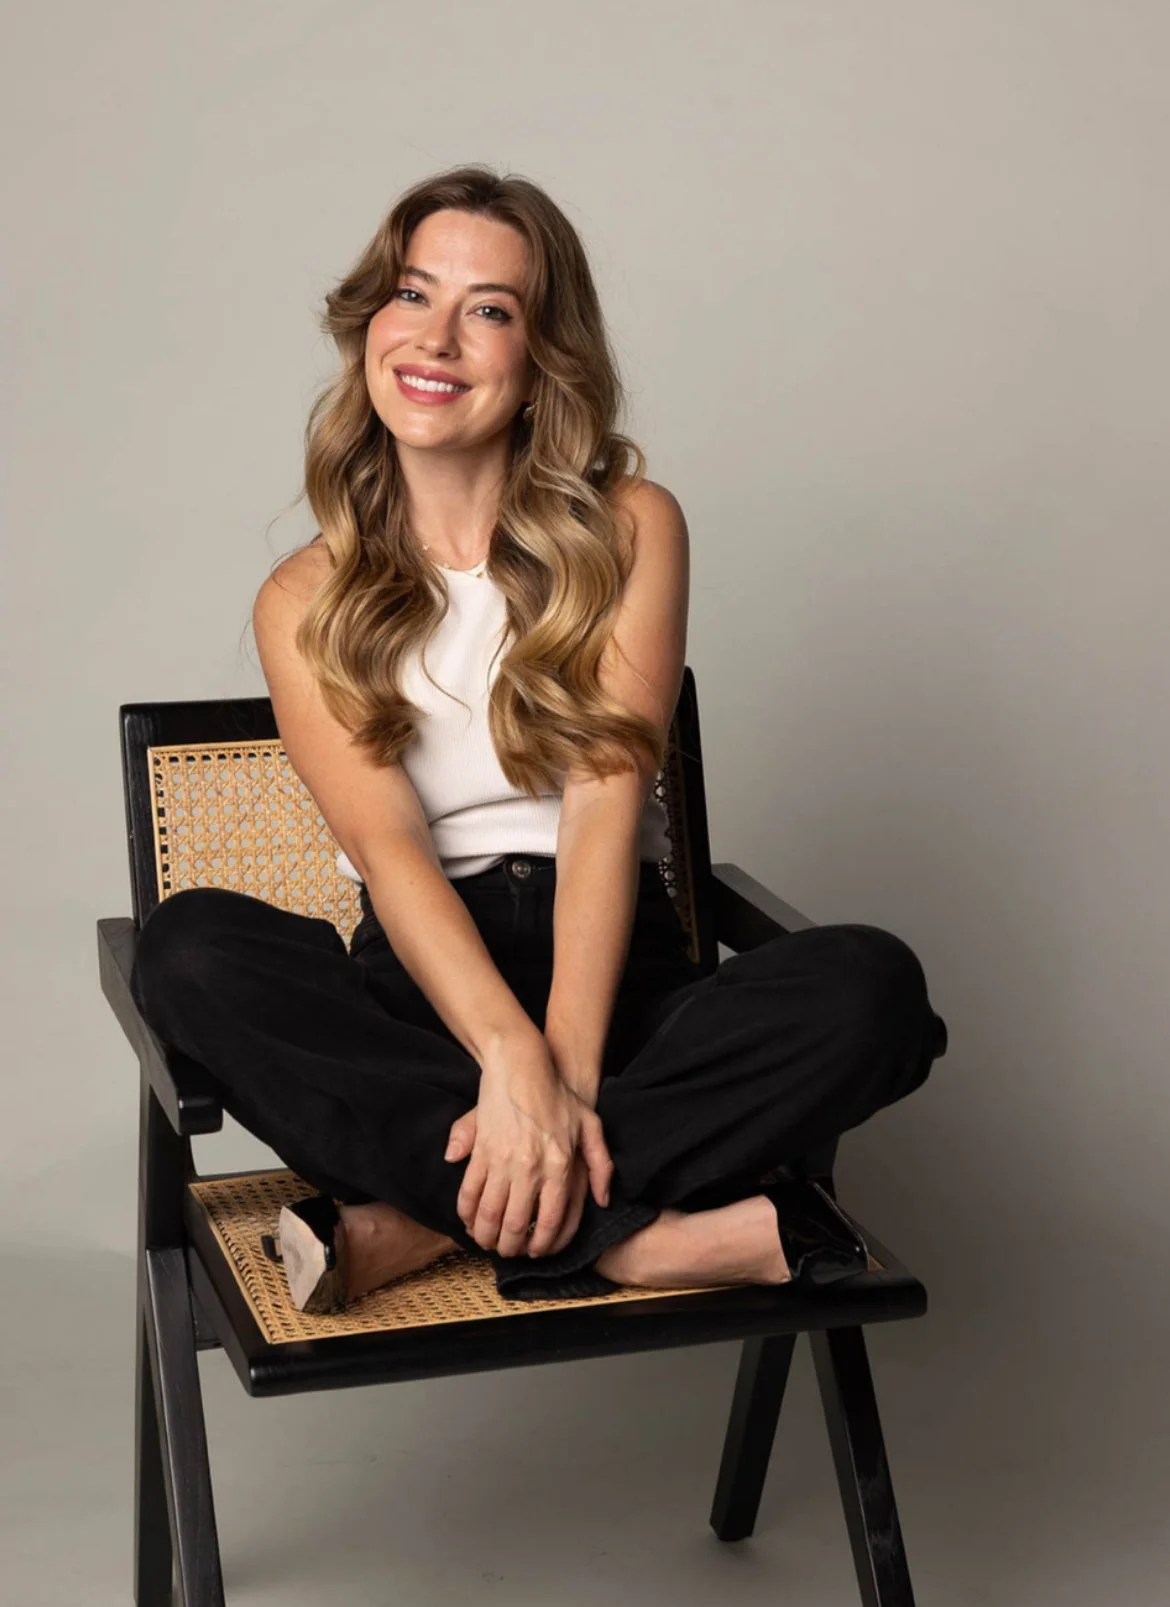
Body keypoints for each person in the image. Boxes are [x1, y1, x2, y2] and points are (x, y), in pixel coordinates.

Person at [130, 164, 947, 1313]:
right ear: (371, 321)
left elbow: (609, 806)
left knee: (874, 989)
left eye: (491, 310)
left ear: (540, 358)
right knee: (187, 950)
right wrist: (503, 1061)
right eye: (413, 295)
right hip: (424, 987)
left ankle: (426, 1219)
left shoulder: (630, 527)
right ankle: (634, 1236)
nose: (439, 338)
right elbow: (393, 851)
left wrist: (556, 1072)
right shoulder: (302, 596)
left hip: (618, 975)